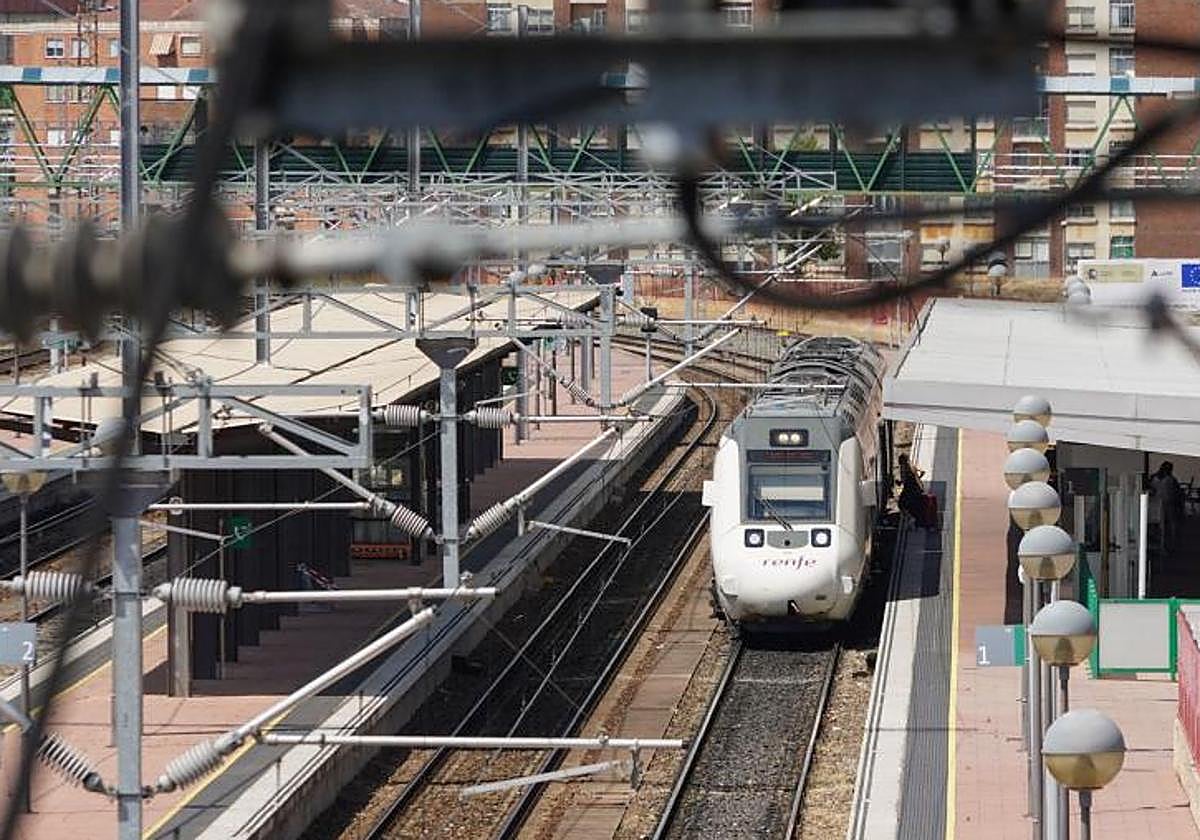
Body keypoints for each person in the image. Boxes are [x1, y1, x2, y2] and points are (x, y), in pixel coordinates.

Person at [1150, 461, 1184, 554]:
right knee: (1169, 524)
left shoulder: (1154, 478)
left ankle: (1165, 543)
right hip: (1166, 503)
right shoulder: (1171, 479)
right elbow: (1177, 493)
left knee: (1162, 525)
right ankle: (1169, 543)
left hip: (1160, 503)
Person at [897, 453, 929, 528]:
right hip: (919, 488)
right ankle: (915, 521)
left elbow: (904, 481)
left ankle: (911, 519)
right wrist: (917, 479)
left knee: (901, 504)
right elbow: (922, 472)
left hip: (910, 489)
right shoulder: (911, 465)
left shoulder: (904, 468)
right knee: (915, 506)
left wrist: (899, 483)